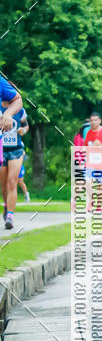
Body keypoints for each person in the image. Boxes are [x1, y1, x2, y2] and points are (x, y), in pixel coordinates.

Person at [0, 76, 28, 229]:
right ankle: (6, 206)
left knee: (12, 181)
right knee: (3, 185)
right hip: (1, 149)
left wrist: (22, 130)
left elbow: (26, 126)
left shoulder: (19, 111)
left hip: (16, 150)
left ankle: (10, 216)